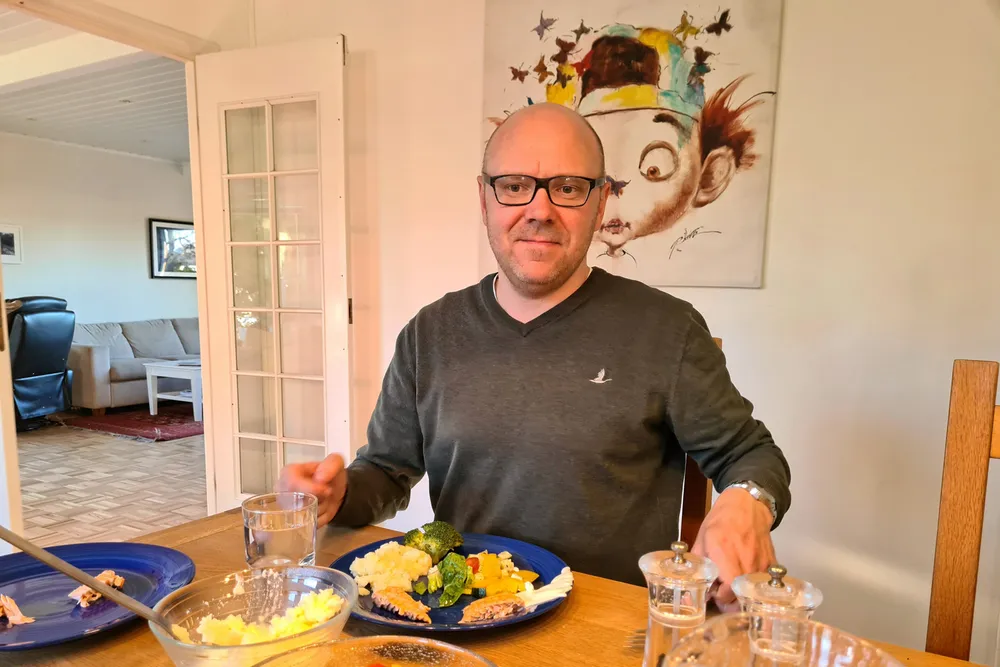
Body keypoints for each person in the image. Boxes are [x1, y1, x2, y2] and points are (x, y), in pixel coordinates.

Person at [279, 102, 791, 608]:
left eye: (567, 188)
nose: (540, 211)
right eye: (514, 185)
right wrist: (339, 495)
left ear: (600, 201)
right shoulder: (428, 334)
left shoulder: (667, 330)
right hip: (462, 618)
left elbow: (753, 455)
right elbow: (386, 472)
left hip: (606, 630)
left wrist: (746, 501)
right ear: (485, 199)